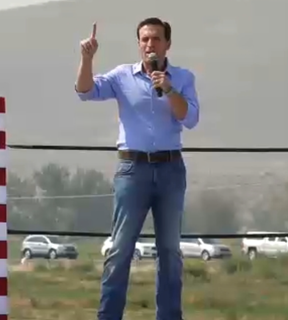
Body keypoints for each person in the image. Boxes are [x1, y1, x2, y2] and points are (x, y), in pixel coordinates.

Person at [74, 17, 200, 320]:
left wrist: (169, 89)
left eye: (156, 39)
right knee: (119, 250)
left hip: (170, 171)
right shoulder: (121, 76)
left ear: (167, 44)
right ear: (138, 43)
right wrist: (86, 59)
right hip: (133, 169)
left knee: (170, 252)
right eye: (144, 39)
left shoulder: (182, 77)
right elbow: (85, 91)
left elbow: (191, 118)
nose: (149, 44)